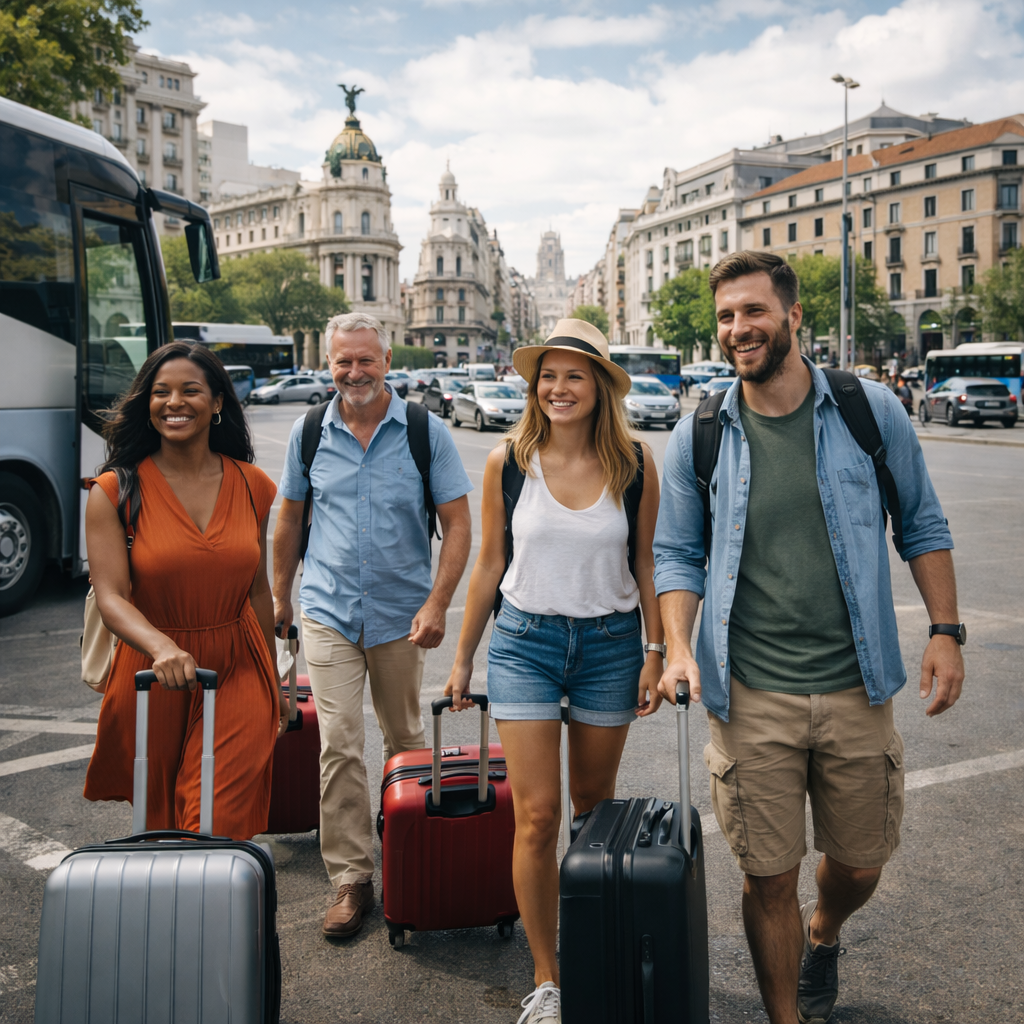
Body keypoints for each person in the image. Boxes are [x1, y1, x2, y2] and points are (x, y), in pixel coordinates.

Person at [654, 251, 964, 1024]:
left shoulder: (869, 409)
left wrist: (946, 630)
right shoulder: (700, 432)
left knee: (860, 864)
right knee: (767, 877)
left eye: (753, 312)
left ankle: (825, 929)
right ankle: (786, 1015)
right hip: (750, 690)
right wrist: (679, 646)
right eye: (727, 316)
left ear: (795, 318)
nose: (738, 329)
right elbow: (676, 553)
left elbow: (921, 523)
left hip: (856, 681)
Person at [445, 319, 665, 1024]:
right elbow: (488, 564)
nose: (559, 388)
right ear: (533, 385)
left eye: (575, 375)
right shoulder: (508, 460)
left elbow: (647, 562)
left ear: (600, 385)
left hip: (610, 647)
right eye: (548, 375)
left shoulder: (635, 460)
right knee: (536, 816)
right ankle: (547, 978)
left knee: (591, 815)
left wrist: (656, 651)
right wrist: (462, 657)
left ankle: (593, 942)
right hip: (524, 644)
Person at [273, 312, 472, 939]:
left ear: (387, 361)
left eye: (365, 360)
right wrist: (280, 596)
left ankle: (411, 855)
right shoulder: (309, 431)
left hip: (400, 616)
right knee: (339, 743)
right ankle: (352, 876)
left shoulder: (423, 431)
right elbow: (288, 521)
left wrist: (438, 602)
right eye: (342, 361)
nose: (353, 372)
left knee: (405, 737)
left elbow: (460, 524)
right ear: (328, 364)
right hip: (328, 610)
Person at [84, 342, 284, 838]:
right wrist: (161, 647)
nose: (174, 402)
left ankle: (220, 914)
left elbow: (259, 591)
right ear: (146, 404)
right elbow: (110, 596)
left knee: (216, 821)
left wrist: (275, 678)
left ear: (217, 402)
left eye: (190, 390)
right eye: (160, 392)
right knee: (162, 829)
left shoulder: (252, 484)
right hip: (153, 672)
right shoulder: (114, 491)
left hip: (238, 665)